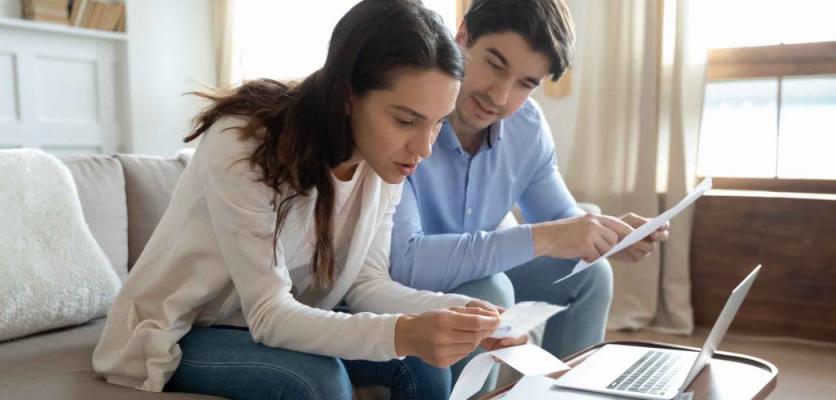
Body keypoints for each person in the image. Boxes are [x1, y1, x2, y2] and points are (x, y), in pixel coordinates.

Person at [92, 1, 523, 399]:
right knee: (318, 381)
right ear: (347, 95)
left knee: (424, 367)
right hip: (185, 328)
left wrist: (460, 313)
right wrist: (406, 332)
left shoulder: (384, 160)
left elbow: (367, 285)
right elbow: (269, 313)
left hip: (274, 321)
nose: (424, 148)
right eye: (407, 120)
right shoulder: (243, 142)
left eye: (437, 124)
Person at [389, 0, 669, 389]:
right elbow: (403, 262)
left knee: (590, 276)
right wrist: (552, 237)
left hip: (474, 271)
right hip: (402, 283)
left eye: (526, 83)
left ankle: (567, 395)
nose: (500, 97)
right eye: (495, 64)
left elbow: (563, 220)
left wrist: (608, 237)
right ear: (463, 37)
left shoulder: (527, 127)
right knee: (489, 291)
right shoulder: (408, 115)